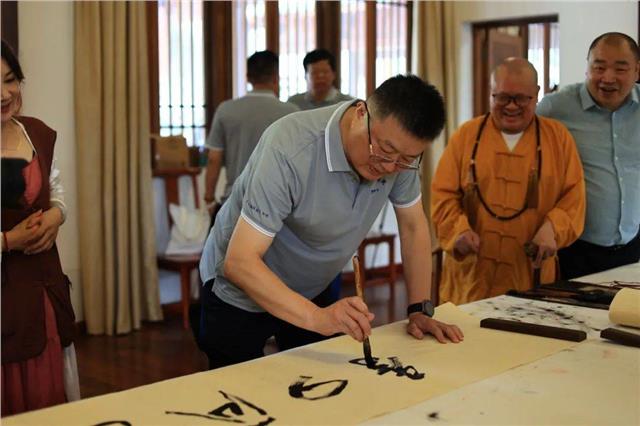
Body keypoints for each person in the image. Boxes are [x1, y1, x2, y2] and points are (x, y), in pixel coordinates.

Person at [199, 74, 464, 369]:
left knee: (314, 390)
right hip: (240, 291)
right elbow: (240, 263)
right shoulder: (290, 147)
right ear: (361, 113)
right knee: (242, 393)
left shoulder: (399, 157)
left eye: (406, 159)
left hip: (311, 285)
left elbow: (414, 227)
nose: (390, 167)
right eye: (385, 151)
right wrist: (318, 318)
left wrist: (420, 310)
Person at [431, 58, 586, 305]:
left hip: (530, 277)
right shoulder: (466, 136)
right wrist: (458, 232)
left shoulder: (558, 139)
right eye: (501, 98)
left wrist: (552, 229)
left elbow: (574, 198)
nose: (511, 107)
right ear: (490, 94)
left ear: (536, 95)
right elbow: (443, 195)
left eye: (521, 98)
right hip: (472, 278)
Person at [1, 40, 79, 415]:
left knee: (47, 398)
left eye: (11, 80)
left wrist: (56, 215)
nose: (5, 94)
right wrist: (8, 241)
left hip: (41, 287)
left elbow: (56, 188)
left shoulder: (35, 133)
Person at [537, 32, 640, 279]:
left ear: (637, 71)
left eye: (620, 69)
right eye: (599, 67)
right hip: (576, 248)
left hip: (633, 246)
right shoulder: (555, 108)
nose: (608, 78)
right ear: (587, 68)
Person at [203, 51, 298, 222]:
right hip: (277, 204)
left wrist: (209, 198)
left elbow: (213, 158)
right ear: (276, 77)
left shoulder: (226, 110)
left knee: (227, 248)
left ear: (247, 77)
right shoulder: (291, 113)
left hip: (234, 201)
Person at [287, 48, 352, 111]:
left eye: (325, 72)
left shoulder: (347, 104)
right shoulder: (293, 103)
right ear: (305, 76)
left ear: (334, 74)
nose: (320, 77)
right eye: (315, 72)